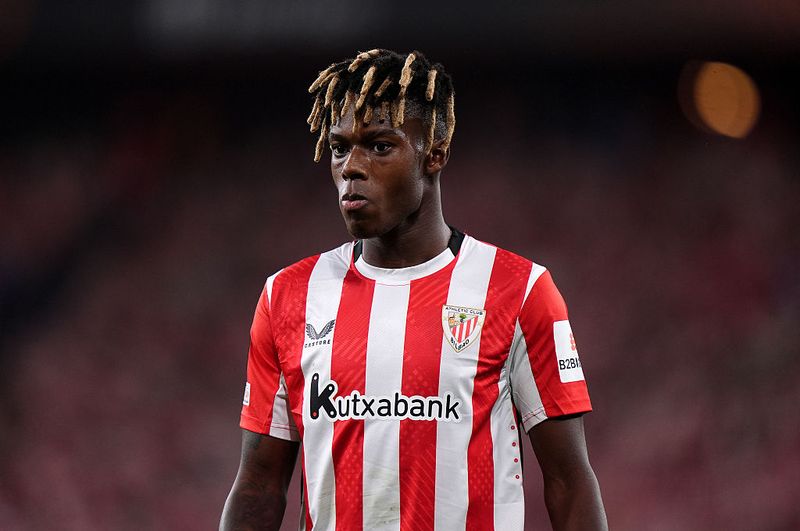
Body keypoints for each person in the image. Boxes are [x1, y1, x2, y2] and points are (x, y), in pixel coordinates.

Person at [220, 49, 607, 531]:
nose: (351, 169)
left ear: (436, 152)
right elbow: (258, 486)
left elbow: (569, 481)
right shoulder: (288, 297)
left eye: (380, 146)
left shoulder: (520, 291)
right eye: (340, 148)